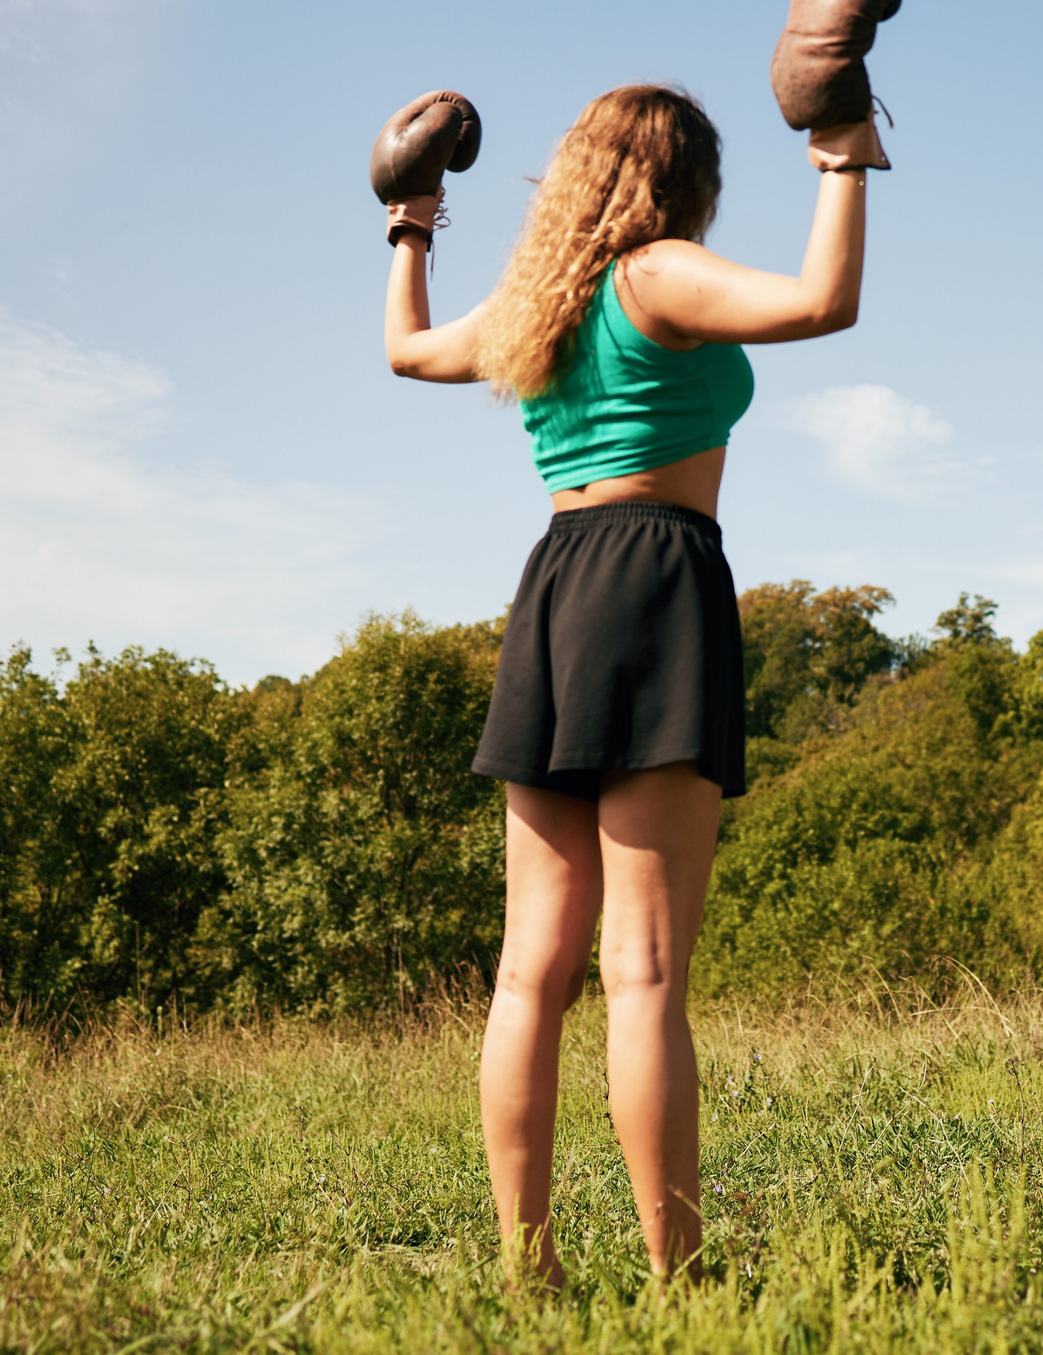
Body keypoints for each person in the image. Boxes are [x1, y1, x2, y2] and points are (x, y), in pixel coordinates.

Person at [383, 84, 883, 1286]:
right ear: (685, 181)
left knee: (529, 970)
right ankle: (675, 1273)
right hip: (658, 574)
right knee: (644, 966)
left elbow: (406, 351)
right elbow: (825, 303)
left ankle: (528, 1264)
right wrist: (841, 159)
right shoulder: (657, 275)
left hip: (555, 586)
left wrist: (410, 224)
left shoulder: (539, 308)